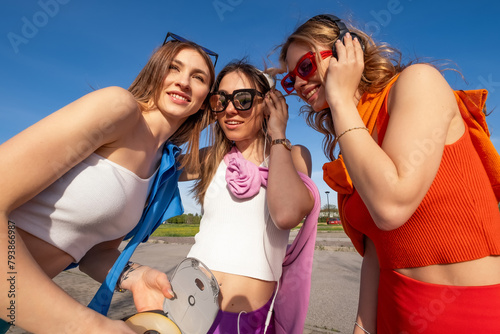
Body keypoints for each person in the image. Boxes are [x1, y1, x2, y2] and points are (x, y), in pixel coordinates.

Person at [277, 14, 500, 333]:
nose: (298, 84)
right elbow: (376, 249)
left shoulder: (418, 82)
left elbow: (390, 206)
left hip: (468, 313)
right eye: (289, 80)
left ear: (345, 51)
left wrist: (340, 99)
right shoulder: (354, 133)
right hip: (392, 312)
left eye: (306, 67)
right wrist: (362, 328)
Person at [0, 32, 216, 333]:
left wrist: (135, 275)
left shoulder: (160, 165)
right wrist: (87, 326)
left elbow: (92, 254)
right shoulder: (119, 109)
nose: (183, 81)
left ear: (206, 100)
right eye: (173, 67)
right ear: (154, 71)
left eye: (199, 77)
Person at [181, 61, 319, 334]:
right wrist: (209, 111)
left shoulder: (294, 156)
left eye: (243, 99)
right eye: (221, 100)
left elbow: (287, 213)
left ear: (267, 105)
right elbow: (154, 150)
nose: (231, 108)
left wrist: (277, 133)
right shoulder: (211, 158)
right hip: (186, 304)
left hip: (246, 321)